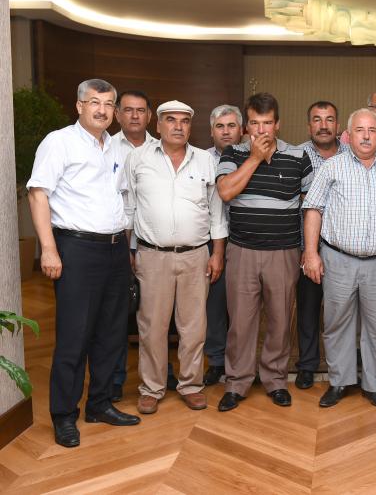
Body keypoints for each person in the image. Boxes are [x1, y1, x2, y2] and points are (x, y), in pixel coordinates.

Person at [27, 78, 141, 448]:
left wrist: (125, 248)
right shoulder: (59, 142)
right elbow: (38, 194)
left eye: (108, 104)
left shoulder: (116, 147)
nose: (102, 110)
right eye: (94, 102)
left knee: (111, 334)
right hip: (76, 249)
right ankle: (64, 415)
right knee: (74, 336)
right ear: (79, 106)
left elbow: (120, 200)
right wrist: (48, 249)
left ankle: (100, 404)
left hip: (114, 249)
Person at [124, 100, 227, 414]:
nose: (178, 126)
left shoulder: (205, 161)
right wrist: (128, 251)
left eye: (184, 121)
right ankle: (151, 388)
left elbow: (217, 213)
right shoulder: (138, 159)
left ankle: (191, 385)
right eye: (171, 120)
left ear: (190, 127)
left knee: (193, 328)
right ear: (158, 125)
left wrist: (217, 253)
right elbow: (129, 209)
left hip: (196, 256)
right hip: (152, 256)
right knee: (152, 327)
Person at [303, 108, 376, 409]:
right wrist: (311, 253)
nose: (366, 136)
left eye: (372, 130)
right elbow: (313, 209)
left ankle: (373, 384)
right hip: (338, 259)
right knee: (337, 323)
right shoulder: (332, 167)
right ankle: (339, 381)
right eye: (359, 130)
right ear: (348, 135)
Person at [215, 93, 313, 411]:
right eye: (255, 123)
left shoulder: (298, 156)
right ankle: (237, 382)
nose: (261, 130)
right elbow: (225, 191)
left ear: (277, 124)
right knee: (241, 323)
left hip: (283, 253)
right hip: (242, 251)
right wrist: (255, 158)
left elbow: (311, 207)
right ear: (246, 126)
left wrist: (308, 250)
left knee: (280, 321)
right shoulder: (233, 153)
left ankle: (275, 380)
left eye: (267, 123)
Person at [108, 90, 156, 402]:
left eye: (141, 110)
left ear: (150, 116)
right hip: (118, 244)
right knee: (117, 316)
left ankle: (160, 373)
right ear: (117, 114)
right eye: (128, 110)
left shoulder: (161, 147)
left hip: (153, 246)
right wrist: (126, 249)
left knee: (156, 316)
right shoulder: (107, 148)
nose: (135, 116)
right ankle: (114, 380)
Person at [295, 101, 347, 390]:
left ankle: (346, 364)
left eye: (329, 119)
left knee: (345, 310)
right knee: (308, 308)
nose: (323, 125)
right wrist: (308, 249)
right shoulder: (295, 155)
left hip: (345, 247)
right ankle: (307, 364)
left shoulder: (352, 154)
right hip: (309, 245)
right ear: (309, 125)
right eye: (317, 119)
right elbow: (296, 202)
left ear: (338, 125)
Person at [202, 104, 243, 386]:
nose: (226, 132)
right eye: (220, 126)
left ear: (241, 130)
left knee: (243, 305)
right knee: (214, 304)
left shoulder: (250, 156)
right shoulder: (201, 159)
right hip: (210, 241)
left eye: (231, 126)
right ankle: (216, 360)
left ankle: (241, 361)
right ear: (211, 131)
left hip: (244, 240)